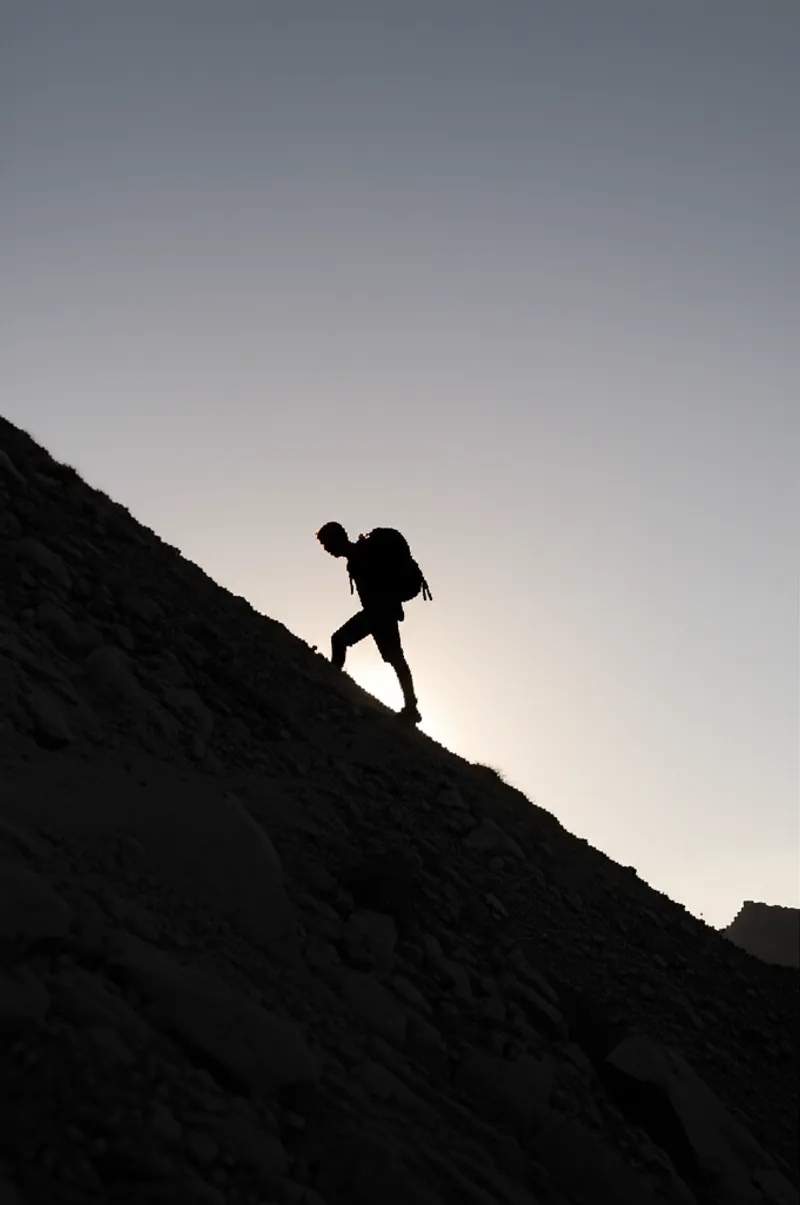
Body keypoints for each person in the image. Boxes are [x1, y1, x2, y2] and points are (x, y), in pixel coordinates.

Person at [316, 521, 426, 724]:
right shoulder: (356, 558)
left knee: (341, 640)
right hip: (380, 612)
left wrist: (382, 606)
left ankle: (332, 679)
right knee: (395, 658)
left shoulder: (361, 555)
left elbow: (377, 586)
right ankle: (411, 707)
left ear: (337, 539)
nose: (327, 549)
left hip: (380, 612)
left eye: (327, 543)